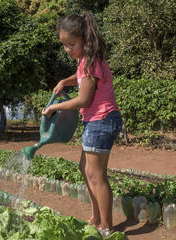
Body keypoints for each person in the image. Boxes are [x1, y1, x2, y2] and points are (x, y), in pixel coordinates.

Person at [41, 11, 123, 238]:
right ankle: (97, 216)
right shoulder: (85, 61)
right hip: (97, 121)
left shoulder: (90, 62)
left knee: (96, 175)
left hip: (101, 120)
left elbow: (84, 100)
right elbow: (79, 78)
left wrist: (54, 108)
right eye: (64, 45)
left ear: (85, 39)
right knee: (85, 169)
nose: (68, 49)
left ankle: (106, 227)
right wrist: (63, 82)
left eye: (71, 44)